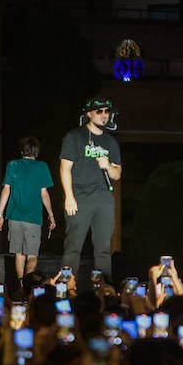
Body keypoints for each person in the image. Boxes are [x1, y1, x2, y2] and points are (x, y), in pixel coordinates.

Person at [60, 98, 122, 281]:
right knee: (73, 246)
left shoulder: (110, 142)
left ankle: (104, 289)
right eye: (99, 111)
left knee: (103, 248)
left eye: (107, 112)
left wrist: (108, 165)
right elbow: (65, 168)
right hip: (80, 197)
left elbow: (117, 173)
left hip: (103, 197)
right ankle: (67, 286)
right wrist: (69, 197)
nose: (104, 115)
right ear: (89, 114)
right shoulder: (74, 137)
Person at [0, 136, 57, 283]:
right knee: (32, 256)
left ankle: (22, 286)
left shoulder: (13, 165)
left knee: (19, 255)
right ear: (37, 150)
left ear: (22, 150)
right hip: (33, 218)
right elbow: (44, 194)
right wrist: (51, 215)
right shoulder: (42, 167)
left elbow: (6, 190)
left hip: (14, 216)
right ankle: (29, 289)